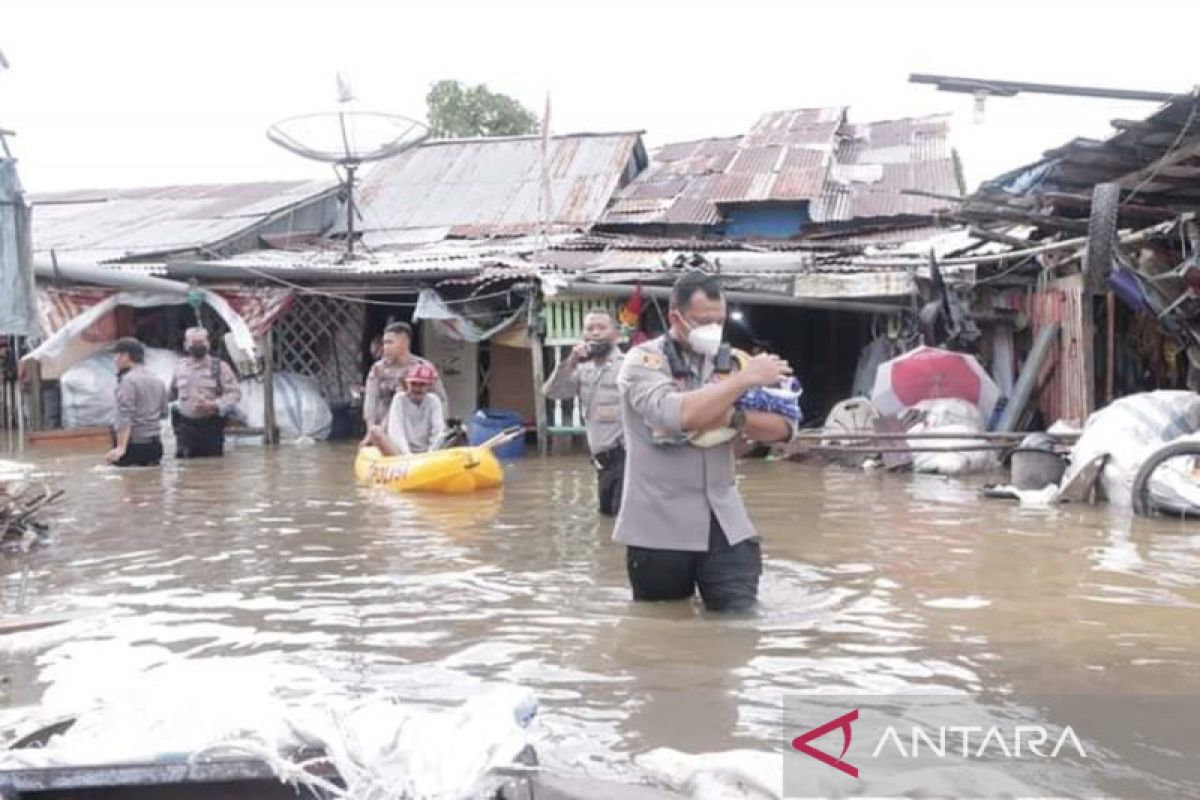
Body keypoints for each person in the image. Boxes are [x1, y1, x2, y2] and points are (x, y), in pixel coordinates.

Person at [615, 270, 796, 613]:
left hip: (725, 520)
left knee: (740, 626)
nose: (714, 329)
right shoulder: (643, 362)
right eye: (703, 321)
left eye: (720, 320)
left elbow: (785, 427)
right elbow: (674, 415)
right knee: (664, 630)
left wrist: (734, 417)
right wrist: (740, 384)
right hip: (659, 525)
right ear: (676, 318)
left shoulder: (737, 362)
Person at [543, 309, 626, 516]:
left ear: (615, 334)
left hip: (626, 457)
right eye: (590, 328)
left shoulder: (627, 366)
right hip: (601, 460)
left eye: (602, 328)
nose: (596, 333)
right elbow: (553, 393)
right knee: (606, 517)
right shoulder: (582, 368)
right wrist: (571, 361)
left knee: (620, 520)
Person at [169, 327, 241, 458]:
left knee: (211, 468)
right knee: (186, 469)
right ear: (186, 345)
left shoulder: (219, 367)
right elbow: (171, 394)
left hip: (210, 427)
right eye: (193, 343)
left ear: (208, 344)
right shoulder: (179, 367)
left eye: (201, 343)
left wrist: (214, 404)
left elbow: (234, 394)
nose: (197, 346)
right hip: (185, 428)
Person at [362, 322, 448, 427]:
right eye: (384, 343)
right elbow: (371, 399)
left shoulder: (423, 367)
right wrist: (371, 427)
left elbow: (441, 400)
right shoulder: (377, 369)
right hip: (382, 429)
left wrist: (440, 427)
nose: (385, 347)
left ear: (404, 343)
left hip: (416, 426)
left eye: (390, 343)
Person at [106, 338, 168, 467]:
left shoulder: (128, 381)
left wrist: (121, 448)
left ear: (126, 356)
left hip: (133, 446)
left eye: (116, 355)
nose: (115, 360)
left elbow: (125, 416)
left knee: (128, 484)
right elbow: (163, 413)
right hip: (155, 446)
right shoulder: (157, 380)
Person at [363, 362, 446, 456]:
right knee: (375, 431)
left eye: (422, 384)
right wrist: (408, 457)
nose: (417, 388)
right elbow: (396, 432)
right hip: (401, 454)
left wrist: (430, 455)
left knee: (458, 432)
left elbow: (438, 432)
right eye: (414, 384)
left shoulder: (434, 401)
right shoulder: (399, 400)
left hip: (427, 452)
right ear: (407, 384)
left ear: (429, 386)